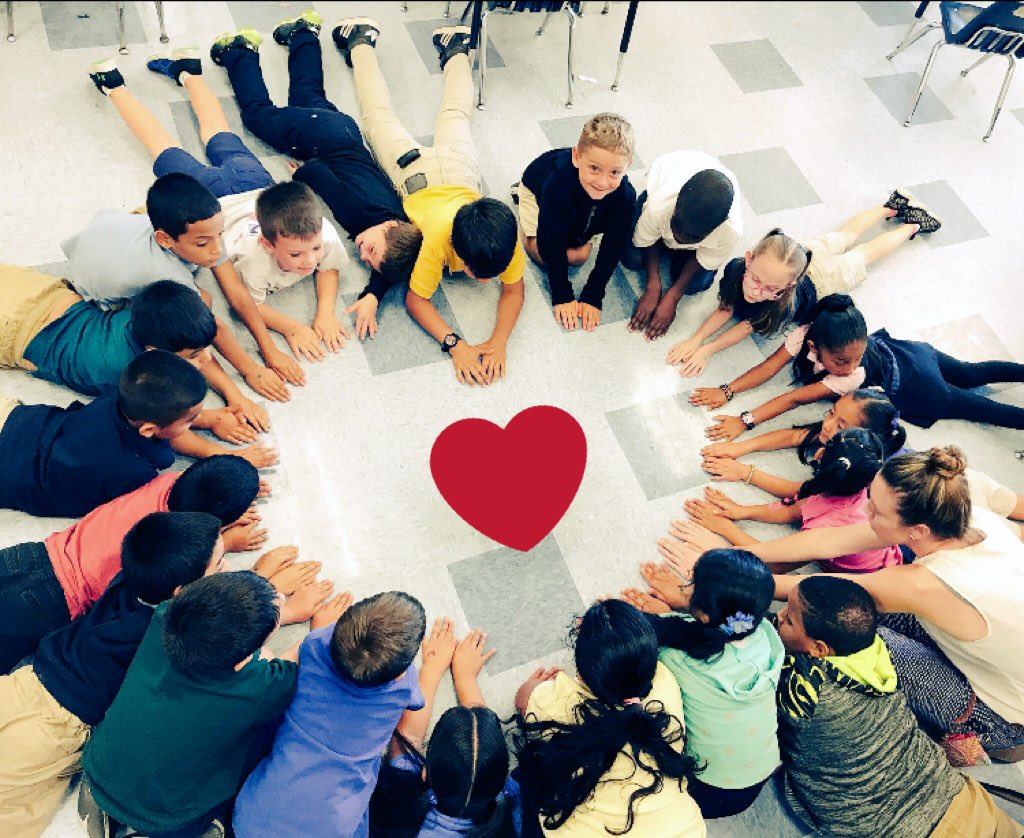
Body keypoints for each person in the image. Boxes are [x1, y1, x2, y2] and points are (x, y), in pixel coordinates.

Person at [669, 447, 1024, 761]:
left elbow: (818, 596)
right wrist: (738, 556)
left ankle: (994, 737)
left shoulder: (921, 583)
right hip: (976, 639)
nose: (863, 511)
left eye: (876, 510)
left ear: (916, 530)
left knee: (842, 630)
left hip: (1000, 711)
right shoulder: (953, 499)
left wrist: (723, 580)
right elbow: (824, 542)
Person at [0, 511, 227, 838]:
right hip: (59, 726)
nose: (227, 569)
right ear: (180, 592)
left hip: (30, 679)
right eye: (219, 564)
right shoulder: (169, 632)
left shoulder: (129, 578)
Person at [78, 571, 348, 838]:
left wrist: (273, 607)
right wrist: (318, 634)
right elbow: (291, 664)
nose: (279, 596)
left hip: (98, 768)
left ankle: (100, 804)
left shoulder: (165, 616)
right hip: (166, 818)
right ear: (241, 663)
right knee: (262, 743)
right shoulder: (256, 689)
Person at [331, 18, 526, 386]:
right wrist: (454, 344)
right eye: (472, 273)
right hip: (416, 174)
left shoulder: (505, 238)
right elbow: (416, 301)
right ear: (456, 247)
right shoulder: (437, 239)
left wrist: (499, 342)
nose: (484, 283)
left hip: (461, 170)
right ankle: (360, 41)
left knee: (453, 114)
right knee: (376, 118)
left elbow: (515, 289)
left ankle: (455, 50)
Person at [210, 12, 424, 342]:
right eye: (370, 251)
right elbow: (329, 185)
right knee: (257, 116)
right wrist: (305, 174)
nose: (362, 256)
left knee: (306, 91)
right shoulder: (361, 215)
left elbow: (393, 264)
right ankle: (239, 52)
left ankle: (305, 33)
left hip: (342, 130)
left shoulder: (397, 223)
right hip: (318, 141)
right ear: (390, 228)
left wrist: (373, 294)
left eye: (368, 260)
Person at [774, 575, 1022, 838]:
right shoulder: (877, 651)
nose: (779, 616)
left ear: (819, 648)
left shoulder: (806, 690)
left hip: (910, 828)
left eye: (789, 618)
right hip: (965, 800)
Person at [0, 455, 263, 673]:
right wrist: (224, 543)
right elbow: (188, 577)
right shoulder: (159, 561)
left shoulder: (169, 483)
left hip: (31, 556)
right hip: (50, 602)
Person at [60, 155, 289, 404]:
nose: (216, 249)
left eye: (219, 234)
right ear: (165, 239)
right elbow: (209, 328)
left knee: (203, 292)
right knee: (198, 307)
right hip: (92, 281)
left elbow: (235, 290)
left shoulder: (206, 235)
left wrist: (269, 349)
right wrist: (250, 370)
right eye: (203, 242)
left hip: (108, 233)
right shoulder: (165, 272)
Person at [0, 266, 273, 449]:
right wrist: (211, 420)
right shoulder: (126, 374)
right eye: (195, 355)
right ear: (154, 354)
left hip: (37, 293)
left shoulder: (149, 318)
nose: (206, 360)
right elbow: (157, 426)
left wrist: (235, 395)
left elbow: (197, 341)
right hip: (15, 332)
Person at [693, 294, 1024, 442]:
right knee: (971, 372)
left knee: (984, 407)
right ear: (812, 346)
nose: (848, 366)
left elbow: (794, 400)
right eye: (840, 361)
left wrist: (744, 420)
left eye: (855, 356)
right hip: (914, 354)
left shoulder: (852, 374)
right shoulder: (807, 333)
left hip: (921, 387)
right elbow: (768, 367)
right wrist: (727, 390)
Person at [233, 591, 427, 838]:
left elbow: (309, 644)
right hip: (333, 828)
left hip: (253, 819)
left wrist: (320, 627)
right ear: (399, 673)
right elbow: (416, 702)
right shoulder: (402, 690)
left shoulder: (314, 645)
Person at [512, 599, 705, 836]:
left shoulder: (557, 698)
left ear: (581, 674)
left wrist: (537, 686)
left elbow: (523, 699)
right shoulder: (665, 682)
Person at [621, 549, 783, 820]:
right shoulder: (766, 636)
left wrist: (662, 622)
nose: (686, 583)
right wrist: (682, 612)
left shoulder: (677, 659)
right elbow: (715, 633)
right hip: (760, 773)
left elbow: (640, 646)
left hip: (706, 791)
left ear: (706, 615)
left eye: (690, 585)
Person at [0, 351, 206, 518]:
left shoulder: (118, 397)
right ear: (148, 430)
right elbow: (150, 509)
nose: (195, 421)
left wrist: (213, 424)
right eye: (190, 419)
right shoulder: (133, 471)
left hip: (19, 421)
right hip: (15, 469)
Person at [369, 618, 521, 837]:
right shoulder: (513, 809)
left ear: (424, 773)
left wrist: (431, 670)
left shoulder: (395, 809)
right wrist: (466, 679)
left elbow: (408, 737)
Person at [685, 428, 904, 574]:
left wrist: (725, 529)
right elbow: (793, 510)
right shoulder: (844, 485)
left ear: (819, 455)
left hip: (873, 576)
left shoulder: (827, 527)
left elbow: (774, 564)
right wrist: (743, 511)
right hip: (889, 553)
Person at [516, 113, 637, 333]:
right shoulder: (556, 185)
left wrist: (594, 294)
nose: (602, 182)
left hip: (582, 203)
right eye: (594, 168)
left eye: (615, 172)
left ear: (628, 166)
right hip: (536, 192)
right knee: (547, 254)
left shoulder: (626, 196)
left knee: (579, 256)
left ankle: (575, 224)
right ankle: (527, 227)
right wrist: (562, 294)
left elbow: (614, 246)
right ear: (576, 156)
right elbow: (551, 244)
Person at [623, 151, 742, 341]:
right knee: (632, 258)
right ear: (676, 202)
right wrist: (653, 285)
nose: (679, 237)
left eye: (692, 236)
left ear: (718, 226)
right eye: (676, 225)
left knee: (695, 285)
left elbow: (705, 258)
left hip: (693, 222)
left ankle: (677, 246)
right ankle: (656, 224)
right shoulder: (659, 206)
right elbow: (645, 239)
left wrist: (674, 295)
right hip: (665, 186)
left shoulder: (730, 230)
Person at [666, 229, 816, 377]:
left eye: (771, 288)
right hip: (799, 263)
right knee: (828, 242)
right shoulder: (735, 268)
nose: (756, 292)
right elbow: (725, 309)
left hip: (821, 281)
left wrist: (707, 350)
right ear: (749, 259)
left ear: (788, 286)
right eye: (755, 279)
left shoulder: (784, 307)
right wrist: (695, 340)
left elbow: (745, 327)